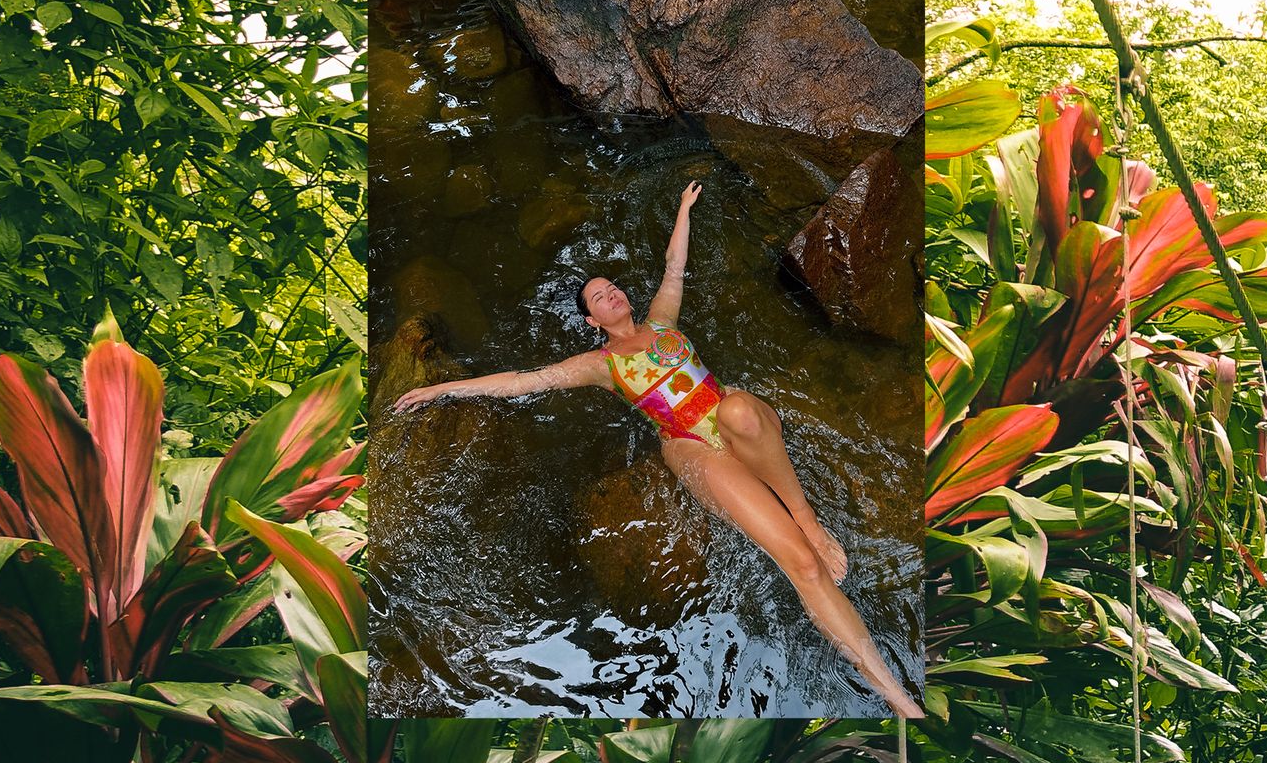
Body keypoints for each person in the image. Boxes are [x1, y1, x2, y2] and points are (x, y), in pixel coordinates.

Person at [392, 180, 922, 718]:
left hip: (731, 417)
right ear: (593, 320)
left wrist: (683, 211)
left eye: (613, 287)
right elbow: (524, 380)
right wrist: (440, 389)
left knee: (737, 408)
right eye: (599, 297)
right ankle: (892, 692)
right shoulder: (599, 365)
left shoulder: (662, 320)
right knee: (803, 568)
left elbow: (674, 267)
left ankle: (806, 517)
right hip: (690, 445)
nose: (611, 294)